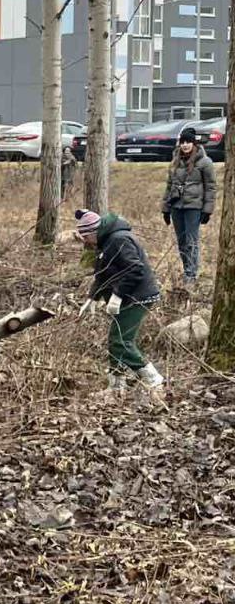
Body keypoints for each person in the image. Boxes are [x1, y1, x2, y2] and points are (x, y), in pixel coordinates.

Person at [75, 209, 164, 403]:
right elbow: (104, 275)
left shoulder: (118, 240)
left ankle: (154, 380)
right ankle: (116, 386)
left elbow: (135, 269)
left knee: (120, 341)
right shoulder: (106, 242)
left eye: (85, 237)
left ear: (92, 232)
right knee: (116, 340)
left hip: (138, 297)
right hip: (129, 297)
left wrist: (117, 295)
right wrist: (92, 298)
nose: (86, 242)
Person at [161, 126, 216, 288]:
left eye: (188, 142)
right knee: (181, 241)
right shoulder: (175, 161)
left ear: (194, 143)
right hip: (176, 206)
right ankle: (187, 269)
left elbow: (211, 187)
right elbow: (169, 185)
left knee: (191, 241)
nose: (185, 145)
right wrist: (165, 208)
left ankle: (191, 275)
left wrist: (207, 210)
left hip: (194, 207)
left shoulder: (205, 162)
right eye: (182, 142)